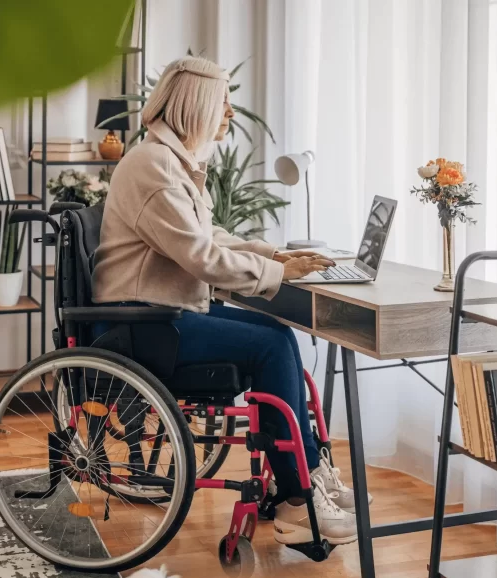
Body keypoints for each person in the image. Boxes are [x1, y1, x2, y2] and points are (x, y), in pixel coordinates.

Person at [92, 55, 369, 546]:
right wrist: (278, 271)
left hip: (161, 313)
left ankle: (306, 471)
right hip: (143, 325)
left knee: (276, 335)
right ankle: (296, 497)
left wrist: (273, 254)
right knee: (271, 346)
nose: (230, 114)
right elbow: (201, 257)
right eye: (224, 103)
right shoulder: (152, 167)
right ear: (195, 105)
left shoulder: (167, 162)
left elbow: (208, 235)